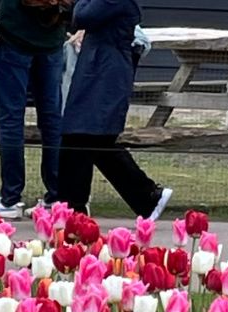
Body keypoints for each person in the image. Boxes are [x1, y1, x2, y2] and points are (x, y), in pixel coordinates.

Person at [54, 0, 169, 221]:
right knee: (79, 137)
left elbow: (83, 16)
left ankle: (147, 195)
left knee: (92, 137)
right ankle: (71, 208)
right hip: (94, 65)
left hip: (106, 72)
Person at [0, 0, 69, 218]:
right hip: (51, 38)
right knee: (52, 119)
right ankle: (56, 197)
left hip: (14, 36)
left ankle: (10, 199)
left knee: (11, 120)